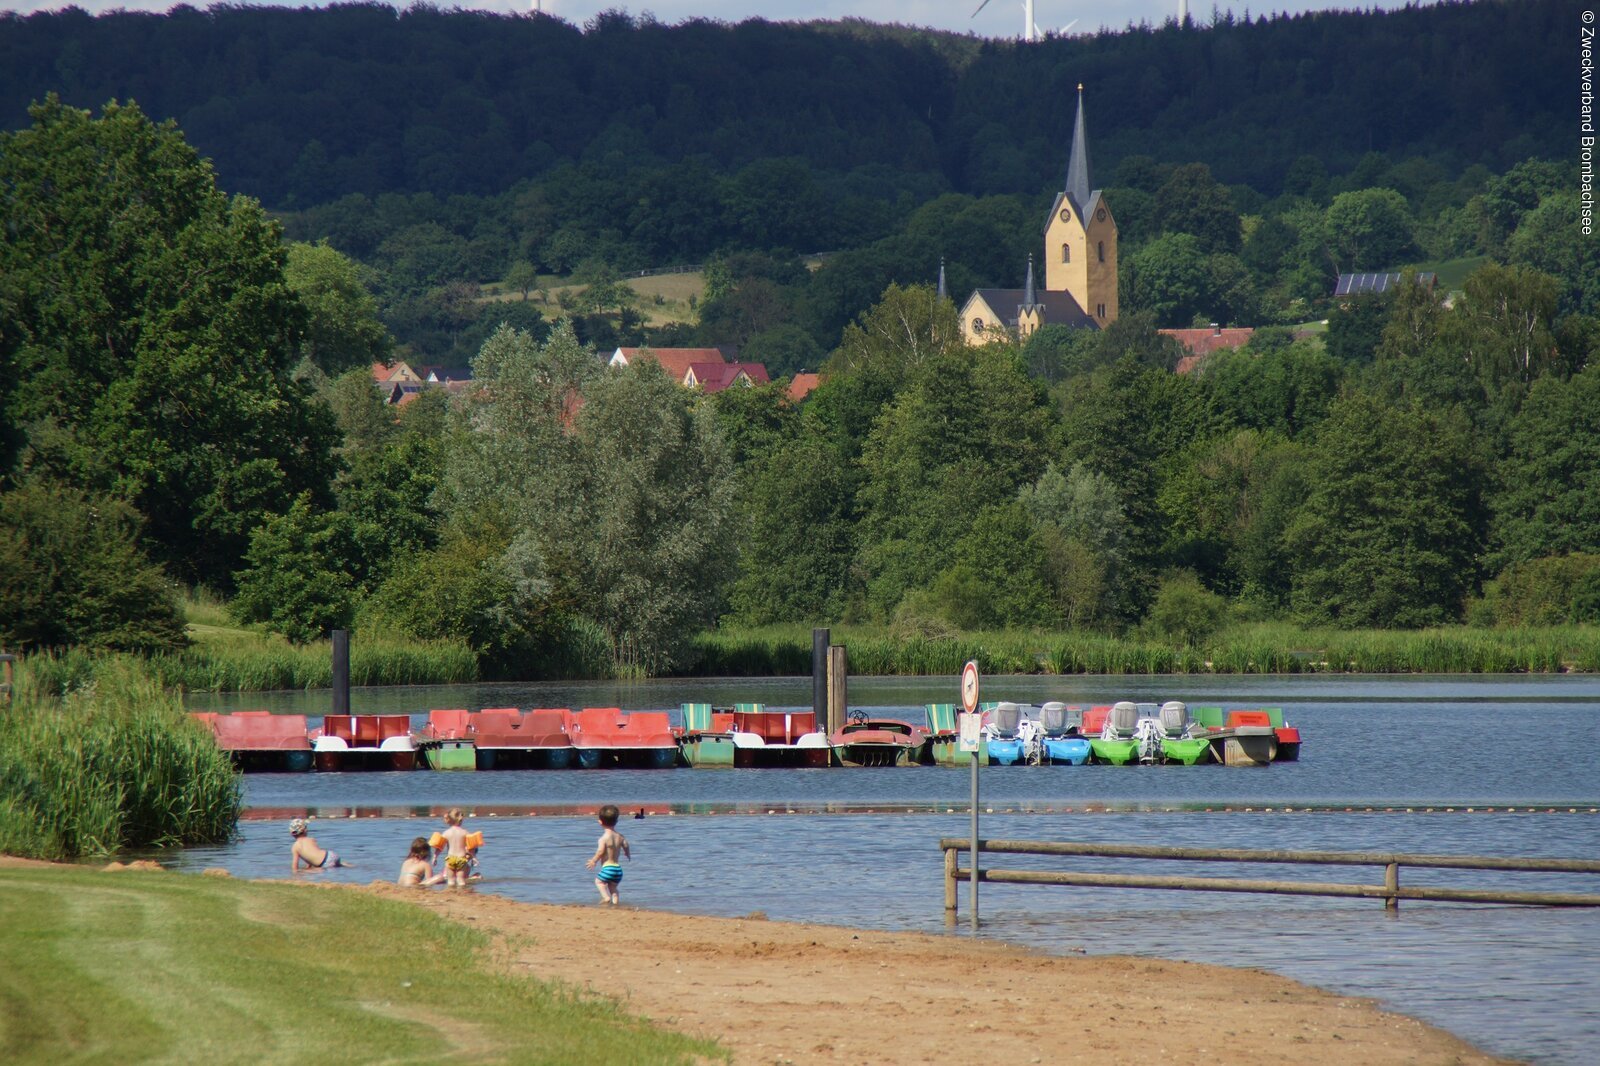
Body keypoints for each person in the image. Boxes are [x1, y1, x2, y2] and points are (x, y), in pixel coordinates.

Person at [585, 804, 631, 905]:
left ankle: (606, 897)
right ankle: (615, 904)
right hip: (618, 870)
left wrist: (594, 861)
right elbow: (626, 844)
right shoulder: (620, 836)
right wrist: (627, 853)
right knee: (613, 889)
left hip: (608, 868)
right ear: (616, 821)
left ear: (600, 822)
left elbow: (600, 851)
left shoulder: (603, 838)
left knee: (599, 882)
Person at [433, 808, 472, 887]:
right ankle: (463, 892)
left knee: (450, 880)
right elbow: (471, 847)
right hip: (461, 858)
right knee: (460, 880)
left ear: (449, 819)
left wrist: (435, 857)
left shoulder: (446, 833)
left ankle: (451, 892)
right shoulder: (465, 832)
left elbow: (439, 847)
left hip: (450, 858)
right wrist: (474, 858)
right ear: (460, 820)